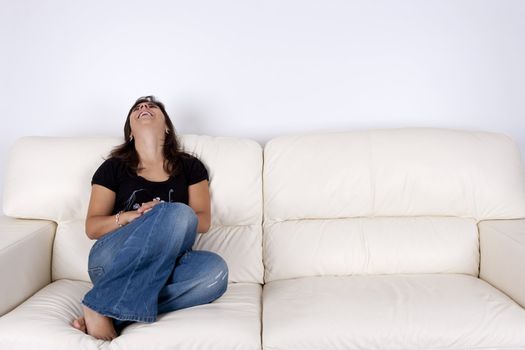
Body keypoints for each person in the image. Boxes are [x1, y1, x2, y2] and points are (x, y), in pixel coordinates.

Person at [71, 96, 228, 340]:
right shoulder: (112, 168)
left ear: (167, 126)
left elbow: (203, 220)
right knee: (174, 211)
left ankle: (104, 310)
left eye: (152, 106)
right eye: (138, 108)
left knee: (215, 272)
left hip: (167, 263)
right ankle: (108, 305)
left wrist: (164, 212)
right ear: (130, 132)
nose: (144, 107)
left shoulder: (190, 166)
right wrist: (133, 216)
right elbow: (92, 227)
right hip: (112, 260)